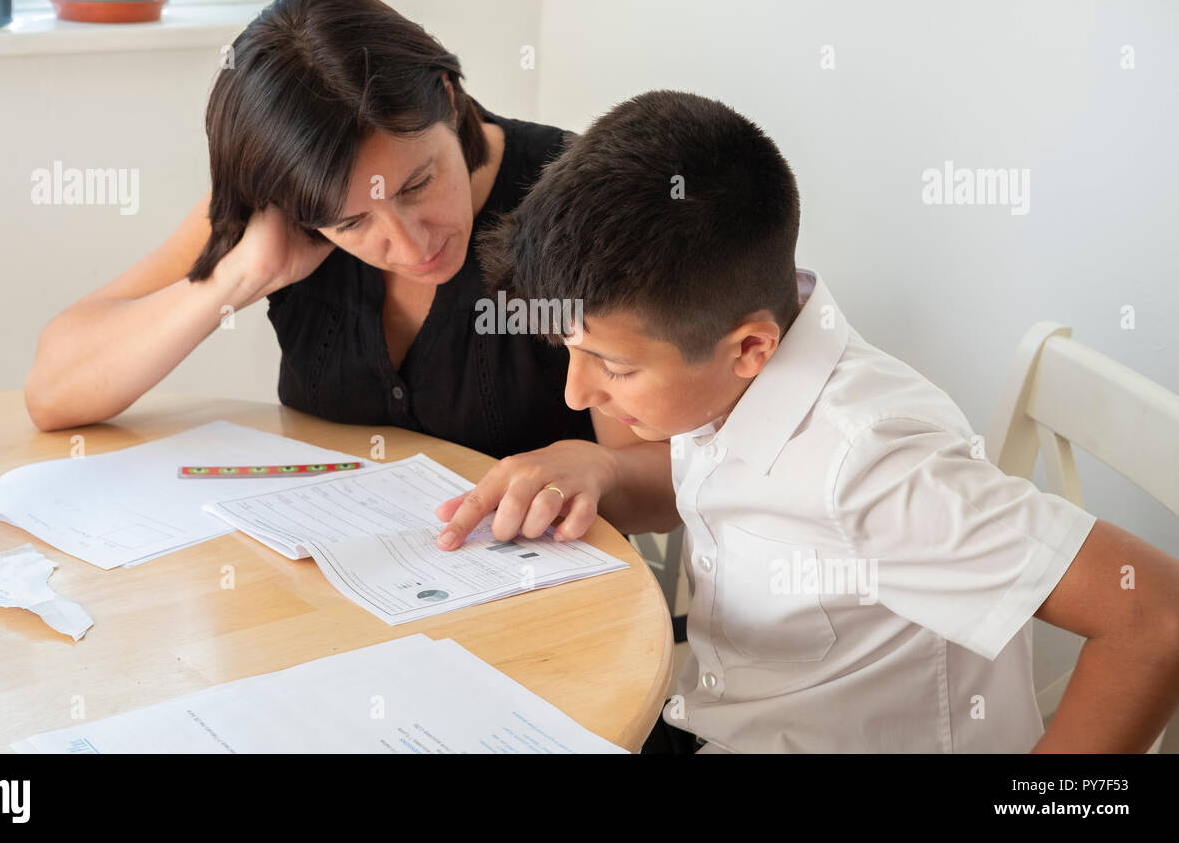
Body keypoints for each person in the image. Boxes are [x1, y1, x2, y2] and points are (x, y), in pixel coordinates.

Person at [449, 88, 1179, 753]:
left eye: (614, 366)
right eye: (569, 351)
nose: (577, 395)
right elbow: (700, 500)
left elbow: (1156, 618)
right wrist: (601, 467)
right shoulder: (733, 377)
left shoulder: (871, 464)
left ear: (750, 348)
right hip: (716, 720)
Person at [23, 0, 677, 537]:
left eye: (419, 185)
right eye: (352, 221)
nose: (411, 243)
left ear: (448, 99)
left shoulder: (579, 207)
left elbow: (677, 477)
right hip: (327, 597)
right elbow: (54, 392)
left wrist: (601, 468)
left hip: (540, 614)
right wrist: (240, 274)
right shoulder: (282, 210)